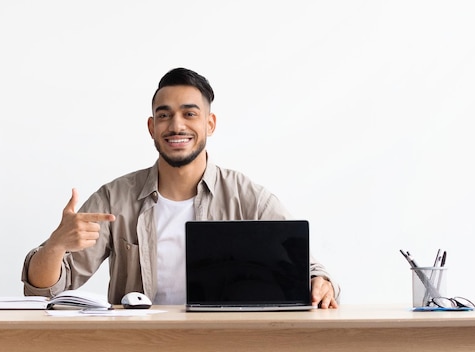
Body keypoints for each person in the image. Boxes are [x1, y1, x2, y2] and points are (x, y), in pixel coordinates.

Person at [22, 67, 340, 308]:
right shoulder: (114, 198)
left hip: (225, 342)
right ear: (152, 127)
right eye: (165, 116)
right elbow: (43, 289)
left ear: (209, 124)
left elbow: (308, 269)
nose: (176, 126)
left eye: (189, 113)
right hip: (138, 344)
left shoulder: (247, 197)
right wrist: (55, 245)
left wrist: (320, 282)